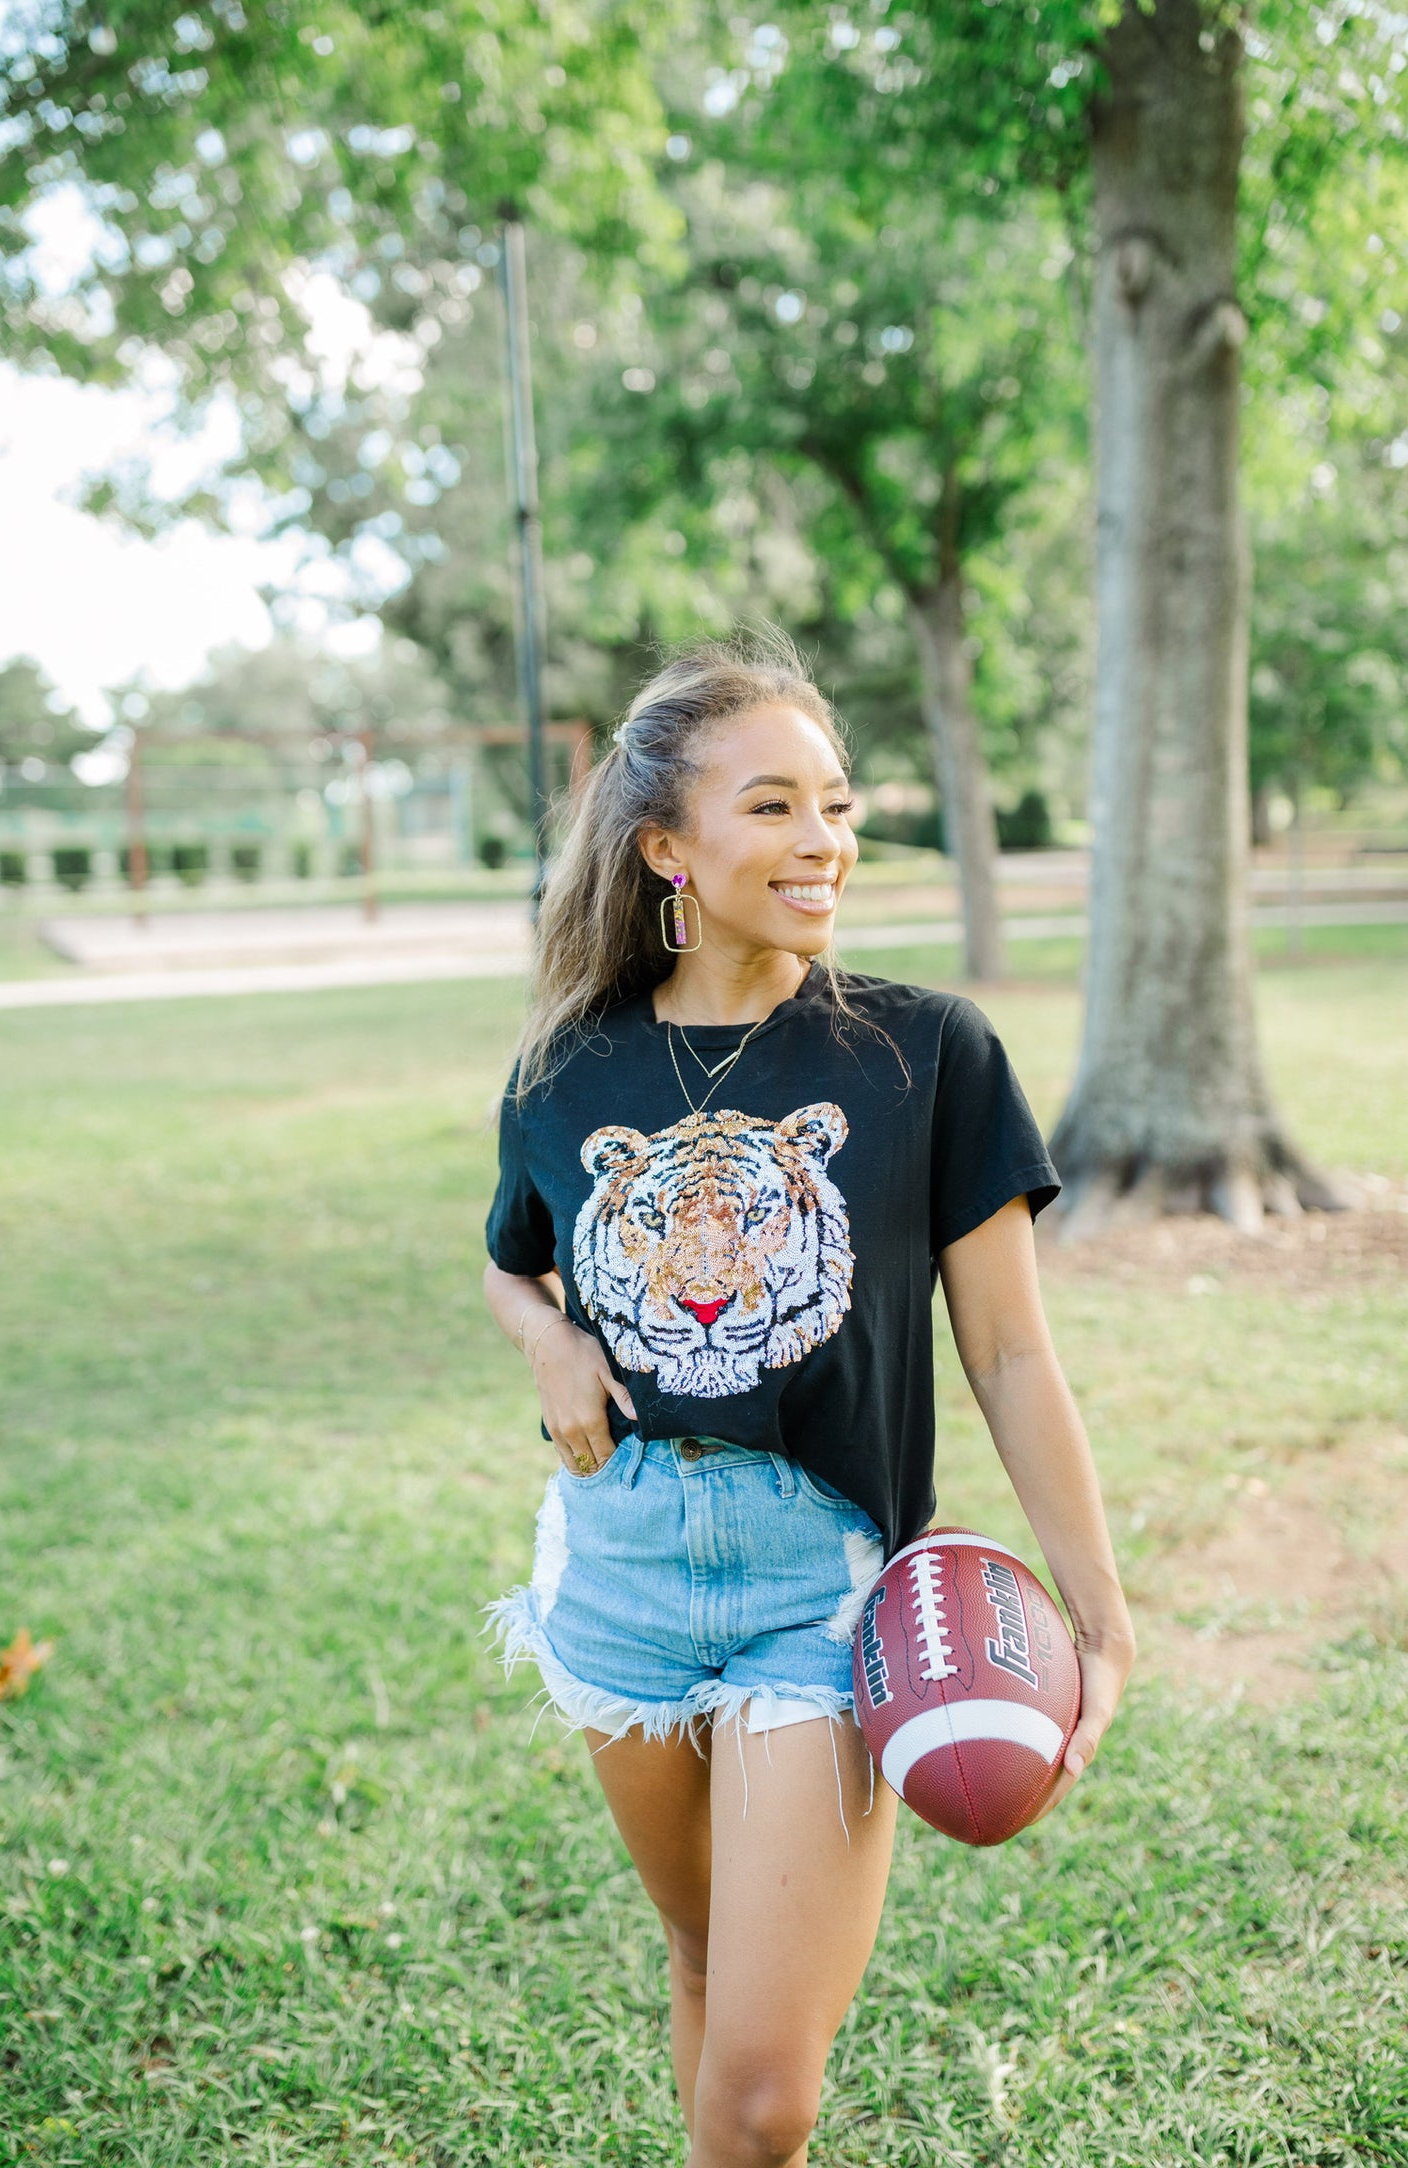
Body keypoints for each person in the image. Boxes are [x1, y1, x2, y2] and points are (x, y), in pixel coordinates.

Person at [480, 633, 1135, 2168]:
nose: (823, 841)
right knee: (701, 1956)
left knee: (762, 2097)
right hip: (617, 1564)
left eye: (834, 805)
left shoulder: (924, 1053)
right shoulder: (563, 1070)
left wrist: (1098, 1616)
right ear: (666, 848)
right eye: (771, 807)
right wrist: (543, 1337)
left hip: (820, 1585)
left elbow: (1010, 1354)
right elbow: (512, 1261)